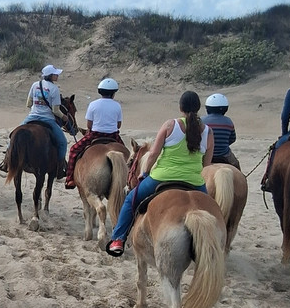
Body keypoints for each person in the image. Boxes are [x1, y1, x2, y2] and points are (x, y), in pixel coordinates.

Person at [105, 91, 214, 257]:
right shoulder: (208, 132)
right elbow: (206, 165)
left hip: (162, 177)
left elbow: (154, 154)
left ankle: (118, 239)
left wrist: (144, 172)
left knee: (129, 201)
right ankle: (214, 248)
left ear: (180, 107)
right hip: (194, 181)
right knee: (212, 212)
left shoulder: (170, 125)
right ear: (199, 108)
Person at [64, 76, 123, 188]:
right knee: (129, 156)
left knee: (73, 150)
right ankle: (130, 178)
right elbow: (118, 125)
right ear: (113, 93)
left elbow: (89, 125)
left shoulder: (93, 104)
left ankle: (70, 178)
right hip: (113, 136)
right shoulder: (117, 106)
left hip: (95, 135)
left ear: (100, 92)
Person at [19, 64, 69, 177]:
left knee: (13, 137)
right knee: (62, 143)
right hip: (48, 119)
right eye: (55, 74)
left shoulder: (35, 85)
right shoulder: (54, 89)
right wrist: (64, 117)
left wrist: (37, 107)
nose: (57, 76)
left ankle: (7, 161)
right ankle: (60, 168)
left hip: (32, 116)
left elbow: (28, 104)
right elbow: (56, 110)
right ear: (50, 76)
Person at [203, 93, 240, 169]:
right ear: (225, 109)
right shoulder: (229, 121)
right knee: (236, 165)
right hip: (224, 155)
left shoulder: (201, 120)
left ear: (207, 108)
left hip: (204, 154)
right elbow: (232, 139)